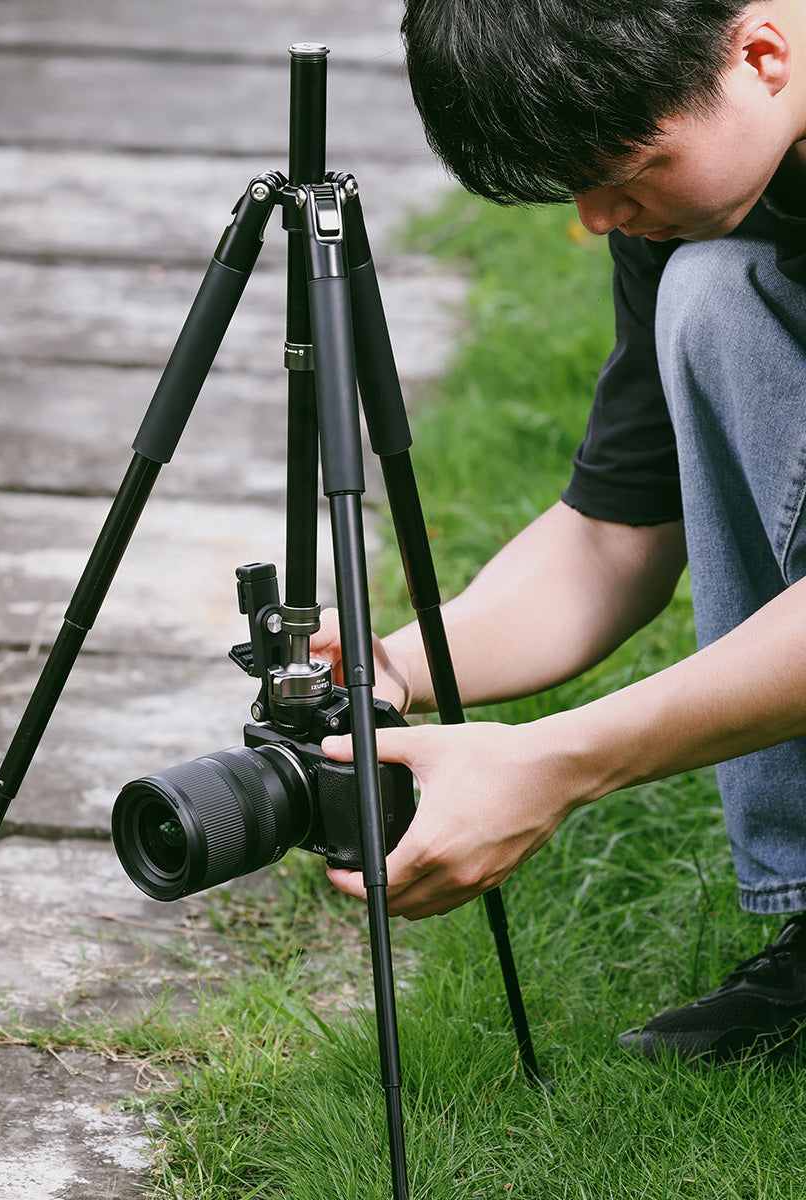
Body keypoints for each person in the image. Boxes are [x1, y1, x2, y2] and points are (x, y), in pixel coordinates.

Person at [312, 0, 806, 1061]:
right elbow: (615, 535)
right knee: (714, 294)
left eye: (625, 172)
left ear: (762, 56)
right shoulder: (702, 203)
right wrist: (398, 665)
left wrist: (556, 762)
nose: (599, 218)